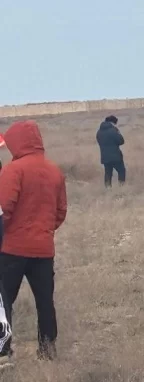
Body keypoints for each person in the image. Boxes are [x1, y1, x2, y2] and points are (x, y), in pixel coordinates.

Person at [0, 121, 67, 362]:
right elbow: (60, 212)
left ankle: (3, 350)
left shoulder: (12, 170)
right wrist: (44, 230)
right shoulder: (54, 171)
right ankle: (48, 350)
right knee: (45, 302)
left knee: (4, 300)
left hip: (11, 249)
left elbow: (3, 209)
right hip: (43, 249)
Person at [96, 115, 126, 188]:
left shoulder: (99, 132)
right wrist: (118, 132)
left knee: (108, 173)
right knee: (121, 171)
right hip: (116, 156)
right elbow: (121, 141)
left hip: (104, 156)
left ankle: (108, 188)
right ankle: (121, 187)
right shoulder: (113, 130)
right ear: (113, 122)